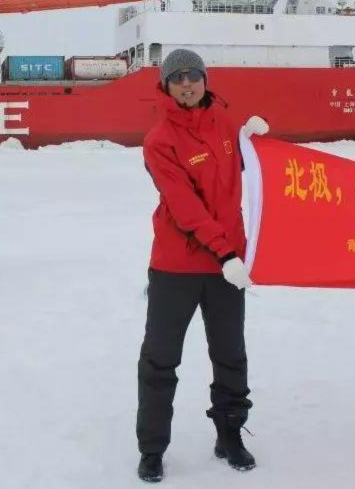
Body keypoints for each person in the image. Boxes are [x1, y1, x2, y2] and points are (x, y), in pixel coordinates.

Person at [136, 49, 268, 483]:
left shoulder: (225, 125)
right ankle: (153, 449)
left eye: (194, 76)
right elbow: (185, 207)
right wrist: (225, 252)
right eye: (178, 78)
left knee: (230, 355)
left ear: (205, 80)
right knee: (160, 359)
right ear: (166, 86)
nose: (187, 83)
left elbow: (247, 178)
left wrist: (256, 146)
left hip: (228, 267)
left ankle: (229, 436)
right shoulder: (159, 140)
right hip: (178, 267)